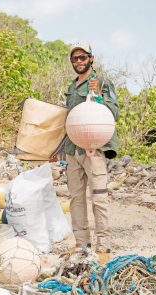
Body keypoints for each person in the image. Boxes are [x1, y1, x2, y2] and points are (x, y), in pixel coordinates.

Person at [57, 43, 120, 264]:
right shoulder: (72, 87)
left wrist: (99, 96)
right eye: (74, 59)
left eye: (82, 57)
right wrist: (57, 150)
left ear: (91, 59)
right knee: (76, 199)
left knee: (99, 198)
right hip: (73, 150)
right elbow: (69, 120)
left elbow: (114, 112)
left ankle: (103, 247)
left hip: (94, 149)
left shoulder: (102, 82)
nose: (78, 61)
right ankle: (82, 244)